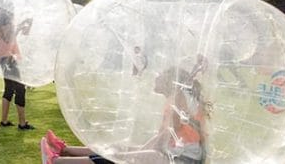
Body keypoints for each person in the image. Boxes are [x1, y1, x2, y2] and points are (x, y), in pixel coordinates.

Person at [40, 63, 208, 164]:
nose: (156, 76)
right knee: (117, 149)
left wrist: (135, 154)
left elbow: (165, 137)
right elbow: (165, 136)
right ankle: (65, 150)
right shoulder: (173, 99)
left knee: (120, 157)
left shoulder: (177, 99)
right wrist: (135, 151)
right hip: (175, 154)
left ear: (169, 81)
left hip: (181, 160)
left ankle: (56, 161)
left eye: (161, 75)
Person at [0, 0, 34, 130]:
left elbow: (23, 34)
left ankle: (4, 121)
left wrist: (28, 24)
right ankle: (22, 123)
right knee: (20, 89)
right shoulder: (4, 21)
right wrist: (21, 25)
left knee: (9, 90)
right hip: (8, 58)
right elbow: (9, 37)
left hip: (4, 57)